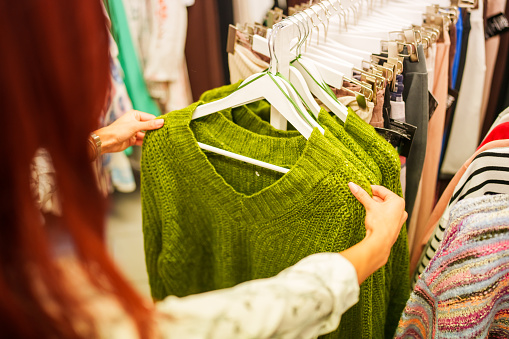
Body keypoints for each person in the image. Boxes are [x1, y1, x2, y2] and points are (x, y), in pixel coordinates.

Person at [0, 1, 407, 338]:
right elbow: (195, 326)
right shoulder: (51, 315)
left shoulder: (358, 172)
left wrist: (92, 143)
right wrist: (373, 250)